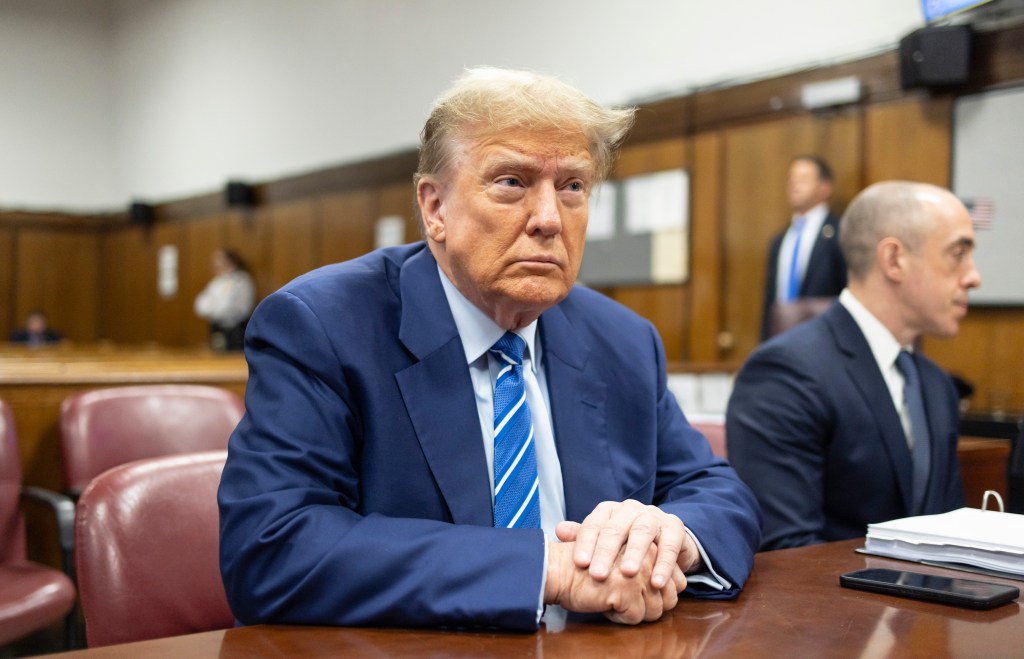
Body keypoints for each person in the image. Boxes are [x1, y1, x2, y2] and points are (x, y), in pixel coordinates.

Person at [218, 67, 761, 631]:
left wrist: (668, 540)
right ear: (434, 209)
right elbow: (273, 548)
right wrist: (546, 569)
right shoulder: (323, 327)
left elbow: (715, 491)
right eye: (511, 182)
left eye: (573, 186)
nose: (550, 219)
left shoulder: (620, 338)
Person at [727, 180, 981, 551]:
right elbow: (790, 553)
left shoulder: (935, 385)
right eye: (958, 254)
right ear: (894, 260)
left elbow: (948, 534)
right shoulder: (785, 374)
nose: (974, 276)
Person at [760, 155, 847, 340]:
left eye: (804, 179)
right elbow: (770, 302)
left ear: (825, 188)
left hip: (824, 341)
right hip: (780, 341)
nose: (794, 185)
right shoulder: (780, 240)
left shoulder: (839, 233)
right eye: (791, 179)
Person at [193, 248, 255, 351]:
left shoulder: (241, 281)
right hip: (216, 328)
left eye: (219, 259)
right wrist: (213, 309)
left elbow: (229, 308)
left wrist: (214, 309)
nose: (215, 263)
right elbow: (200, 306)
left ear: (230, 261)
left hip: (235, 330)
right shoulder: (216, 282)